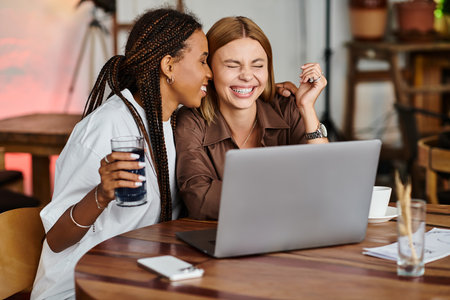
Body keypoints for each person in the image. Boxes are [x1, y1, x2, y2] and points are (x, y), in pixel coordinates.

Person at [31, 8, 212, 300]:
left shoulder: (177, 124)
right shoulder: (106, 128)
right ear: (169, 66)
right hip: (77, 289)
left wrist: (274, 95)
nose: (209, 72)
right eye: (203, 61)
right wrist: (100, 195)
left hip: (135, 280)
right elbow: (56, 239)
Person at [175, 16, 329, 220]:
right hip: (217, 239)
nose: (247, 76)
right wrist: (292, 191)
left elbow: (326, 181)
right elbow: (200, 200)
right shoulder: (191, 121)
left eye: (257, 65)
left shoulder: (286, 107)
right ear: (210, 70)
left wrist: (306, 107)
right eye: (232, 65)